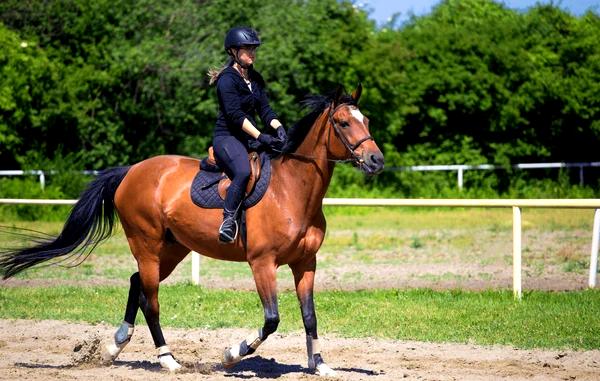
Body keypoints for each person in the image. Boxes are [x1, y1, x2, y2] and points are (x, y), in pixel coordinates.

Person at [208, 27, 287, 244]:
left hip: (248, 137)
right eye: (247, 49)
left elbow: (265, 110)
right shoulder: (227, 80)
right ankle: (228, 220)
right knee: (243, 171)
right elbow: (235, 116)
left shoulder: (256, 78)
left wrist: (279, 128)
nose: (252, 53)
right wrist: (262, 136)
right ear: (233, 51)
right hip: (227, 138)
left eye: (254, 49)